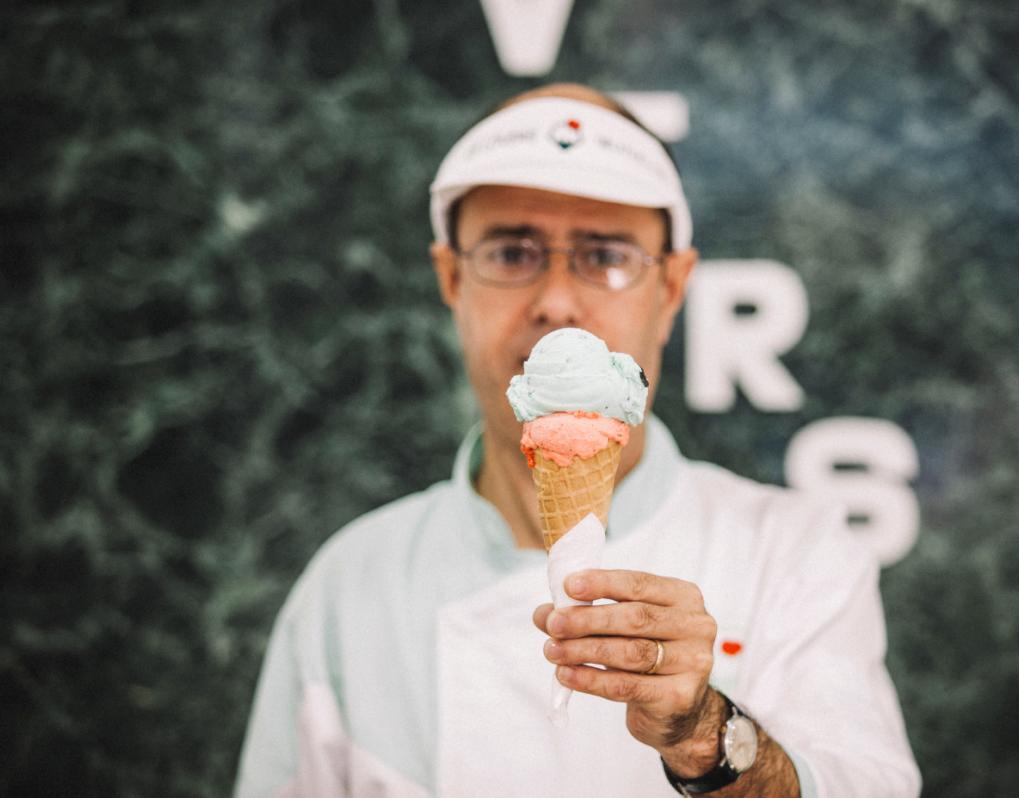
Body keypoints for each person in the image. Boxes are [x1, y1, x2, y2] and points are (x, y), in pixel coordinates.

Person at [234, 83, 921, 797]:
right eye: (510, 252)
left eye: (606, 254)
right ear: (450, 277)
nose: (558, 302)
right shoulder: (349, 588)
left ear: (674, 289)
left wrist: (703, 733)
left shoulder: (794, 555)